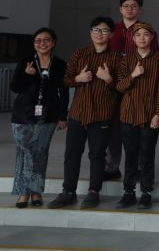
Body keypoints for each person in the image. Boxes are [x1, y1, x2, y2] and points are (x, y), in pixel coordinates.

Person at [48, 17, 121, 210]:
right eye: (96, 29)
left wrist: (108, 79)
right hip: (78, 112)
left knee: (97, 155)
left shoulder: (116, 58)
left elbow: (122, 87)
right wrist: (78, 78)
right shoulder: (80, 54)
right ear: (90, 33)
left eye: (104, 30)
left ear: (111, 34)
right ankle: (68, 192)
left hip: (102, 114)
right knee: (71, 154)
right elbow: (65, 80)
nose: (99, 33)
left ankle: (93, 191)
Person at [10, 27, 67, 208]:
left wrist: (62, 116)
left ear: (53, 42)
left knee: (40, 154)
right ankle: (23, 193)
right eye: (38, 41)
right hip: (23, 115)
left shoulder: (59, 64)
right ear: (34, 44)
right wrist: (27, 76)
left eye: (46, 40)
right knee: (24, 153)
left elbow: (64, 92)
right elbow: (15, 87)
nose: (42, 43)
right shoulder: (26, 62)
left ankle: (36, 192)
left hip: (48, 115)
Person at [106, 0, 159, 181]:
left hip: (140, 88)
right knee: (113, 128)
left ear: (139, 9)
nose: (130, 9)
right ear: (120, 9)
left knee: (138, 129)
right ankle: (112, 167)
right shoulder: (112, 30)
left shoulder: (147, 31)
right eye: (126, 6)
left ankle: (138, 170)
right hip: (113, 85)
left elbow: (155, 58)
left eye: (134, 6)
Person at [114, 22, 159, 209]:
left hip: (149, 115)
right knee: (130, 155)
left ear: (152, 38)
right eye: (138, 35)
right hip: (128, 114)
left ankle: (146, 192)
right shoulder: (126, 60)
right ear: (133, 39)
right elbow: (119, 86)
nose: (142, 38)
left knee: (147, 154)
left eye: (146, 34)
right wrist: (134, 74)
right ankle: (128, 192)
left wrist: (158, 114)